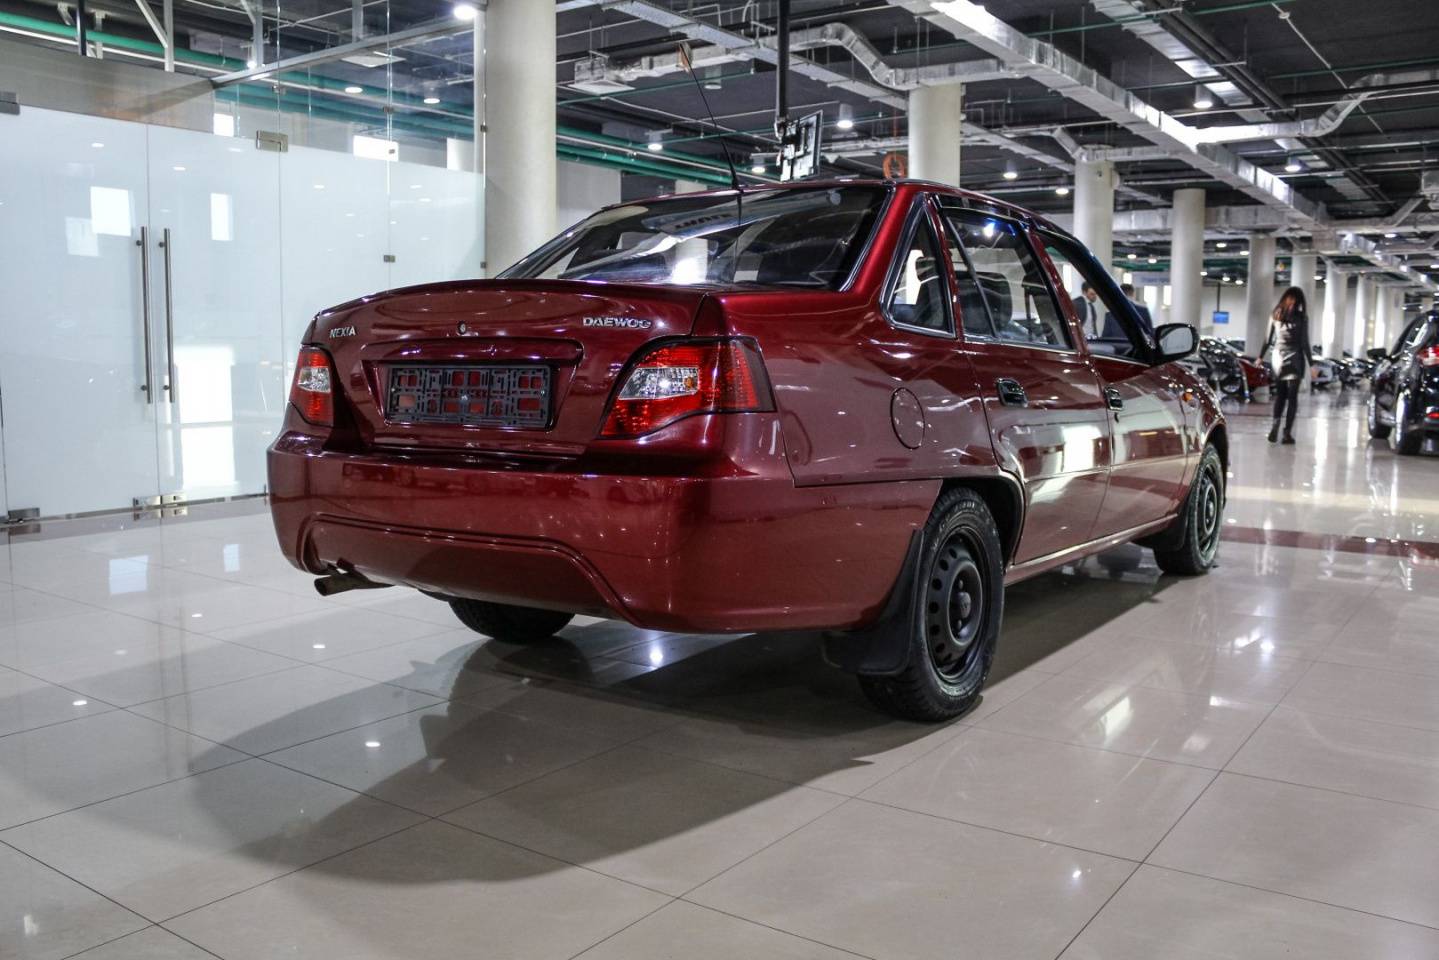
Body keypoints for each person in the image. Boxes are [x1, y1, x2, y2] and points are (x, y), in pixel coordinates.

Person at [1261, 286, 1312, 444]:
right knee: (1292, 397)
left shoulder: (1276, 314)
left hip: (1278, 357)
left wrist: (1260, 357)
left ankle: (1275, 426)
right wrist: (1312, 364)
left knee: (1280, 395)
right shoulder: (1302, 317)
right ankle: (1287, 433)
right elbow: (1304, 342)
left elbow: (1267, 340)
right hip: (1295, 357)